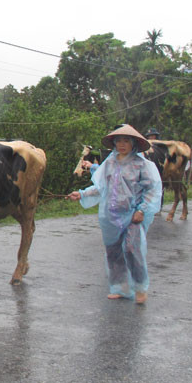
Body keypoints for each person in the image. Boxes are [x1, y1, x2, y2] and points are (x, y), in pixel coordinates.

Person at [67, 124, 163, 304]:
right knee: (113, 252)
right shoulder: (109, 164)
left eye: (126, 140)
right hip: (110, 216)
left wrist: (142, 209)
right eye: (119, 141)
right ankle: (121, 288)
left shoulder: (142, 165)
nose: (122, 144)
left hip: (133, 214)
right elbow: (100, 187)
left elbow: (153, 190)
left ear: (134, 143)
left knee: (132, 249)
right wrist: (81, 194)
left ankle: (140, 288)